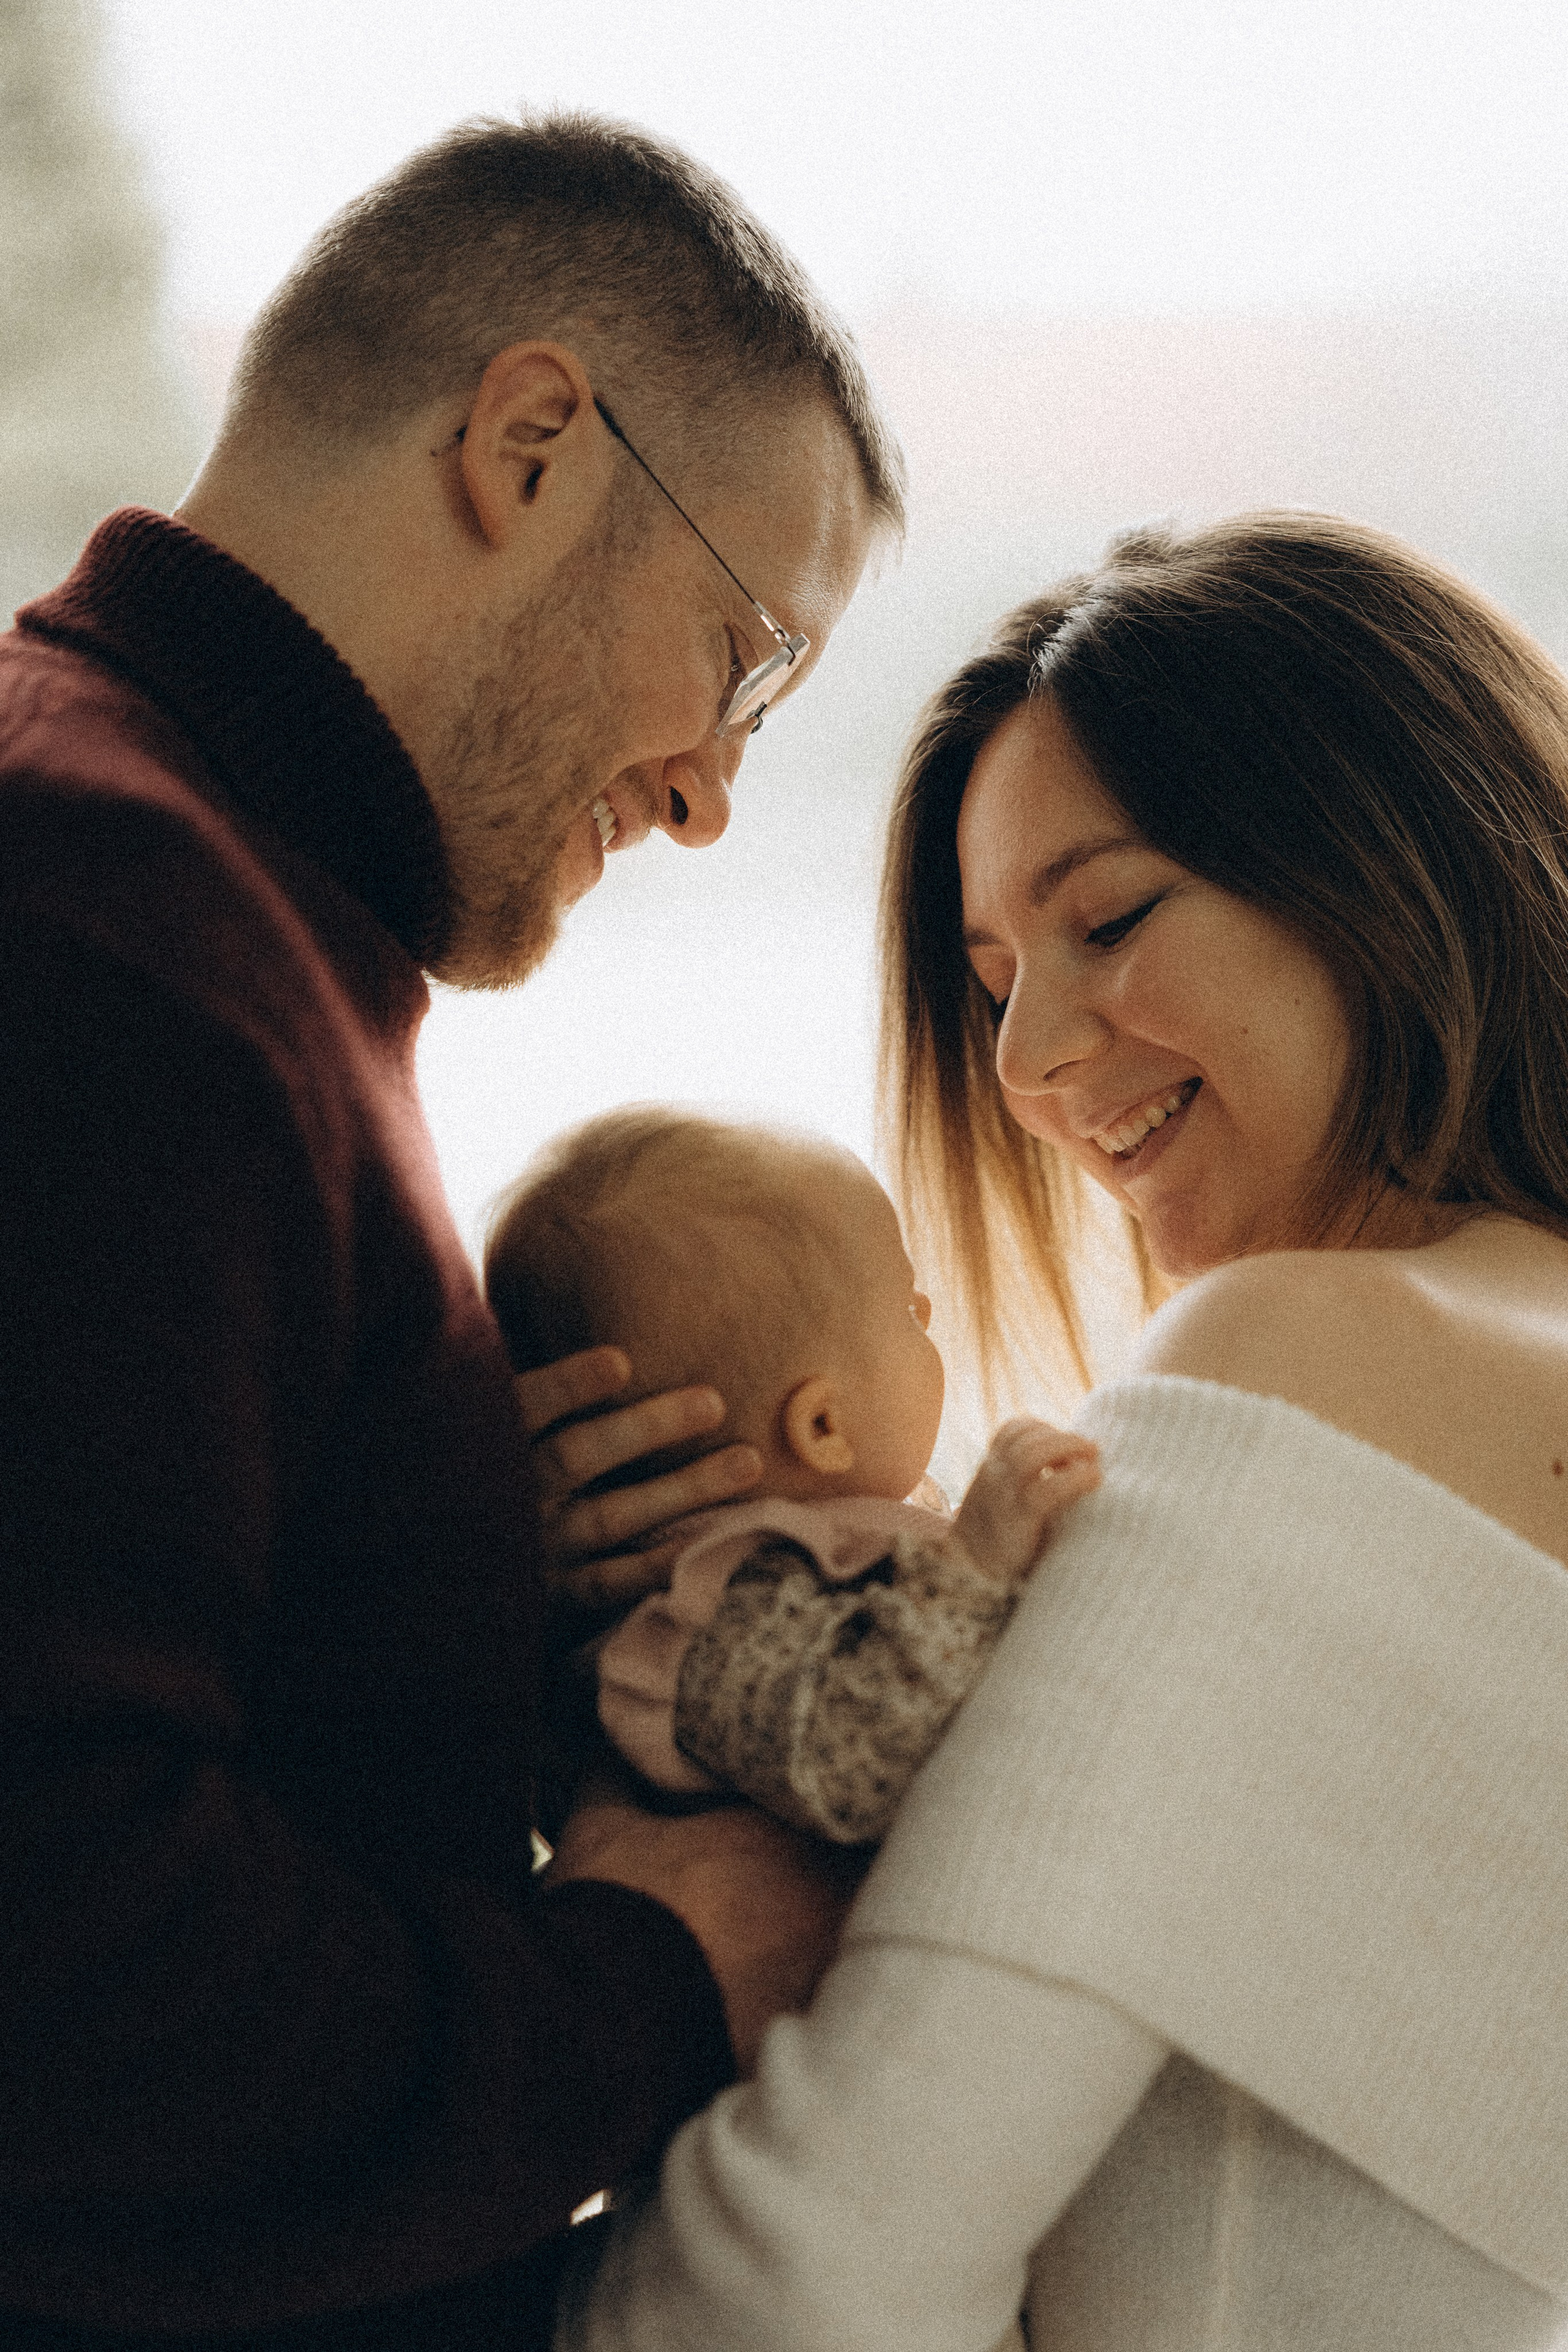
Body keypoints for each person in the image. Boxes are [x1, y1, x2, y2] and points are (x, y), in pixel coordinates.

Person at [0, 112, 902, 2350]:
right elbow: (61, 1956)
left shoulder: (193, 894)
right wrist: (653, 1973)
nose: (707, 794)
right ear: (525, 443)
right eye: (739, 650)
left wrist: (440, 1604)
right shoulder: (115, 931)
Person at [552, 513, 1568, 2351]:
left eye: (1106, 917)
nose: (1022, 1067)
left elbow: (799, 2279)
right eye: (994, 972)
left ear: (1382, 867)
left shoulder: (1297, 1358)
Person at [483, 1106, 1099, 1844]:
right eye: (907, 1307)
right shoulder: (724, 1608)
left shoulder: (818, 1552)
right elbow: (858, 1763)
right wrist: (971, 1565)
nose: (928, 1309)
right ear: (822, 1427)